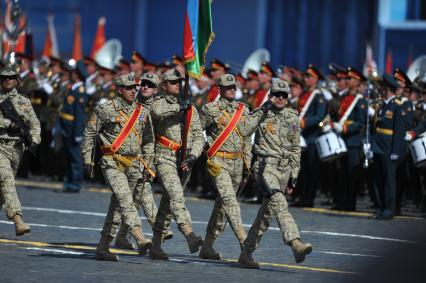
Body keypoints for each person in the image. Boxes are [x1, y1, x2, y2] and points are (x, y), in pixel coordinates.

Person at [239, 79, 312, 269]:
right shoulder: (261, 113)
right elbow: (244, 130)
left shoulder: (292, 117)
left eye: (284, 95)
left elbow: (296, 147)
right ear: (271, 95)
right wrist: (261, 111)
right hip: (265, 166)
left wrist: (294, 173)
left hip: (284, 169)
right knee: (279, 202)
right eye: (276, 95)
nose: (280, 98)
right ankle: (295, 243)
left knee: (266, 214)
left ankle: (246, 254)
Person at [81, 73, 154, 261]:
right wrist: (87, 159)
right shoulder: (105, 109)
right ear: (119, 89)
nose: (133, 91)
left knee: (118, 206)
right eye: (129, 88)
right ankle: (139, 236)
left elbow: (148, 140)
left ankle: (103, 247)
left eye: (135, 87)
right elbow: (90, 133)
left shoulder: (142, 112)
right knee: (124, 199)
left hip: (134, 164)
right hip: (112, 162)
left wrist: (148, 162)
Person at [198, 74, 271, 260]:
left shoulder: (243, 109)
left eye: (234, 86)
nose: (232, 88)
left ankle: (207, 246)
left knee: (222, 206)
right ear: (219, 89)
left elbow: (247, 138)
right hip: (218, 163)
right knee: (230, 202)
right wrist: (197, 152)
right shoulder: (210, 109)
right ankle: (245, 246)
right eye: (227, 86)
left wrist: (247, 163)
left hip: (238, 164)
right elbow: (197, 132)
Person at [149, 68, 204, 260]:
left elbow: (199, 136)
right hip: (164, 156)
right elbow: (156, 112)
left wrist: (194, 156)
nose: (177, 85)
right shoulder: (159, 102)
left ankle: (155, 246)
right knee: (176, 195)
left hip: (184, 161)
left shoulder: (190, 107)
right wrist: (178, 107)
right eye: (173, 82)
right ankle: (189, 234)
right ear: (164, 86)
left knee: (166, 206)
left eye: (179, 82)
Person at [115, 72, 174, 249]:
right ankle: (158, 228)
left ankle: (123, 236)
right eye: (143, 84)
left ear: (156, 90)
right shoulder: (132, 103)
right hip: (129, 155)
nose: (145, 87)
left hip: (147, 156)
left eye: (150, 85)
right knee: (140, 193)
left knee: (135, 197)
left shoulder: (158, 106)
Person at [0, 64, 41, 236]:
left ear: (17, 80)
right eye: (4, 77)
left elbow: (34, 123)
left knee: (2, 191)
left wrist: (35, 138)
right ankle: (18, 221)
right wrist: (8, 123)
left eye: (11, 77)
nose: (7, 80)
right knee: (7, 181)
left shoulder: (24, 101)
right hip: (0, 145)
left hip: (17, 149)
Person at [332, 67, 368, 211]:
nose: (347, 81)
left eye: (350, 79)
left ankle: (350, 203)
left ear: (358, 81)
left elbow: (360, 122)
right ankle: (342, 201)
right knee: (342, 174)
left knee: (352, 173)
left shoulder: (360, 101)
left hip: (353, 141)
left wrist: (346, 128)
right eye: (347, 78)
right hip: (342, 141)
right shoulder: (345, 98)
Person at [371, 74, 405, 220]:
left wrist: (396, 151)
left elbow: (399, 131)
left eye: (383, 88)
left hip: (388, 147)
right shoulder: (383, 106)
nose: (381, 90)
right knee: (378, 178)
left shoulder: (397, 107)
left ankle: (388, 209)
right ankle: (380, 207)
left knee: (389, 179)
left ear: (389, 89)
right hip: (378, 146)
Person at [294, 65, 327, 207]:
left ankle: (309, 198)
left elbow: (319, 117)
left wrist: (304, 122)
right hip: (301, 137)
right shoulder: (303, 95)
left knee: (312, 169)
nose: (306, 79)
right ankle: (302, 197)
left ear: (316, 79)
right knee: (301, 169)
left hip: (312, 137)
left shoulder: (318, 96)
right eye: (305, 76)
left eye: (309, 77)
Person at [57, 61, 88, 193]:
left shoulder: (80, 91)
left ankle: (75, 183)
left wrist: (78, 133)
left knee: (75, 157)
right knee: (69, 156)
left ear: (78, 75)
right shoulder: (73, 88)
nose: (71, 74)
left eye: (73, 73)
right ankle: (70, 181)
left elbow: (79, 115)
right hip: (66, 127)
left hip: (73, 128)